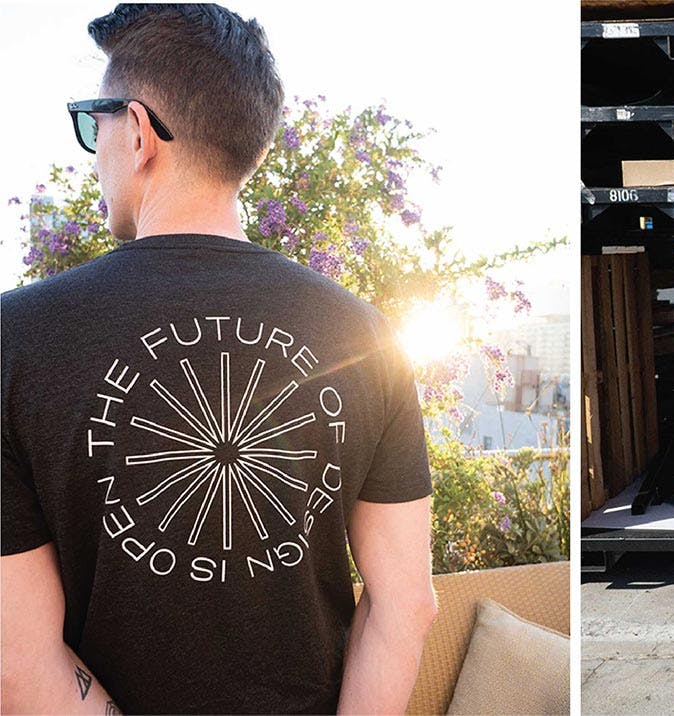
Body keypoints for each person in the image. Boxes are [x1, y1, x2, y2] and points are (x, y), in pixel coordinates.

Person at [1, 5, 437, 713]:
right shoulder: (369, 337)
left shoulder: (13, 339)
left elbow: (15, 662)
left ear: (138, 132)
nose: (96, 152)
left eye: (93, 124)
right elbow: (407, 606)